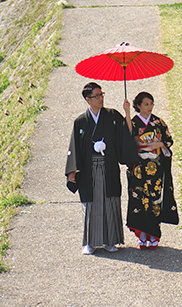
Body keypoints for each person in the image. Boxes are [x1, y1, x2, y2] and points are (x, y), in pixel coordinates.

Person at [65, 82, 138, 255]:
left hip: (108, 166)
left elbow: (126, 134)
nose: (100, 98)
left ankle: (110, 241)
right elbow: (74, 147)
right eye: (96, 96)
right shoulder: (81, 121)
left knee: (110, 203)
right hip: (88, 170)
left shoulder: (112, 116)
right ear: (87, 99)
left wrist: (127, 113)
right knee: (91, 205)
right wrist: (72, 171)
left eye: (101, 94)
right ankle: (90, 242)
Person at [124, 92, 179, 249]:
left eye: (151, 104)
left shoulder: (158, 122)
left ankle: (154, 233)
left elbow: (168, 140)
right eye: (146, 104)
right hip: (139, 167)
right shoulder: (133, 122)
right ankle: (142, 234)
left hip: (155, 166)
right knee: (139, 198)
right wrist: (127, 113)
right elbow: (127, 136)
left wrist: (160, 144)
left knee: (155, 198)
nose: (149, 107)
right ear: (138, 105)